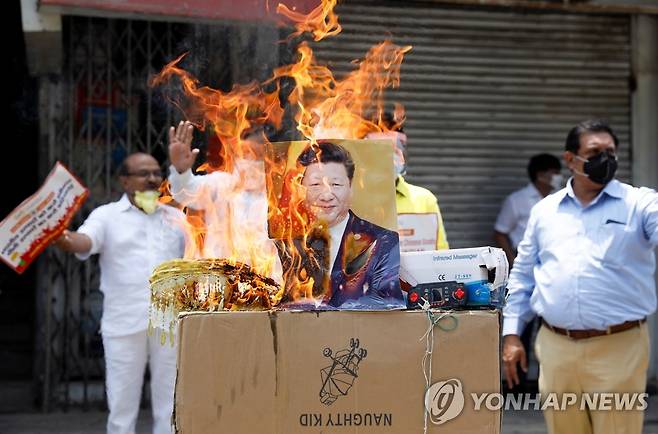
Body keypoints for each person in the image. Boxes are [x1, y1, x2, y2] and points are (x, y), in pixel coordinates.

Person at [502, 119, 658, 434]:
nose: (606, 159)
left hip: (619, 347)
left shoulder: (640, 204)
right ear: (571, 160)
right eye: (595, 151)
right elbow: (523, 274)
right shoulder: (545, 212)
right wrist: (512, 334)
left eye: (611, 152)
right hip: (556, 347)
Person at [54, 153, 186, 434]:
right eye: (143, 173)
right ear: (124, 181)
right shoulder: (106, 216)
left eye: (156, 173)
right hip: (124, 324)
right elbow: (84, 241)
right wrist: (61, 237)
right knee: (122, 409)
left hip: (170, 325)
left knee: (172, 407)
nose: (152, 179)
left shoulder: (175, 217)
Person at [277, 141, 403, 308]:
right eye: (315, 184)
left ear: (351, 188)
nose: (326, 195)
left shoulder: (383, 241)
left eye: (336, 184)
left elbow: (388, 306)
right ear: (301, 189)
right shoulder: (286, 246)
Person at [167, 120, 280, 279]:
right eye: (245, 153)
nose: (249, 160)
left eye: (257, 155)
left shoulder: (280, 197)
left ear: (272, 158)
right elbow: (185, 193)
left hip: (264, 288)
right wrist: (181, 171)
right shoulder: (221, 184)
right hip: (218, 284)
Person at [366, 111, 449, 252]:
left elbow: (441, 255)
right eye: (377, 150)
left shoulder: (424, 199)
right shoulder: (349, 200)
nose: (386, 158)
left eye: (393, 150)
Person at [494, 153, 562, 266]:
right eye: (555, 172)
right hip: (526, 259)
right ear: (540, 175)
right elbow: (499, 233)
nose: (559, 176)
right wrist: (512, 261)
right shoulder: (517, 200)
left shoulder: (560, 198)